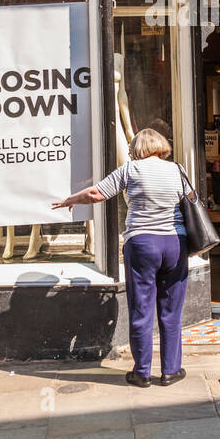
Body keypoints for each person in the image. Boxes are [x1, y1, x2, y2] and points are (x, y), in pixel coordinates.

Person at [52, 128, 190, 388]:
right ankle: (171, 370)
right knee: (171, 311)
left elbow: (96, 194)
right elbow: (191, 200)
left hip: (142, 244)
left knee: (142, 309)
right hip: (175, 243)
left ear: (137, 149)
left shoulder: (131, 170)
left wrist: (72, 199)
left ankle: (142, 372)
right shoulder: (178, 170)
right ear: (160, 146)